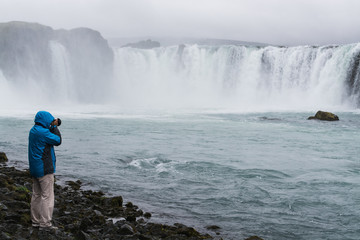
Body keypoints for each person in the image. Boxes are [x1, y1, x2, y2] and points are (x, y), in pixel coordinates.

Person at [28, 111, 62, 229]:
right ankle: (45, 223)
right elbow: (58, 140)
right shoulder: (44, 133)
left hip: (35, 168)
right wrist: (54, 126)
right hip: (44, 169)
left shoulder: (33, 130)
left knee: (36, 195)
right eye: (50, 119)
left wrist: (51, 125)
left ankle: (35, 221)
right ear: (46, 120)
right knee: (47, 196)